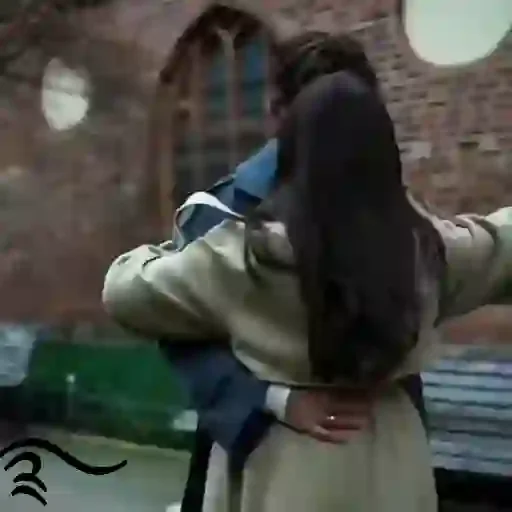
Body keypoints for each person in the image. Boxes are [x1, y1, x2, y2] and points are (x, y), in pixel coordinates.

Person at [103, 64, 512, 510]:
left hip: (285, 465)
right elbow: (501, 244)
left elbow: (125, 289)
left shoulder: (245, 257)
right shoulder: (427, 250)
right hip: (392, 460)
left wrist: (170, 248)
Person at [158, 32, 427, 511]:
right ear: (278, 115)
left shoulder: (393, 212)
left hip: (379, 461)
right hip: (262, 464)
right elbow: (183, 335)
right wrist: (273, 401)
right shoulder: (221, 213)